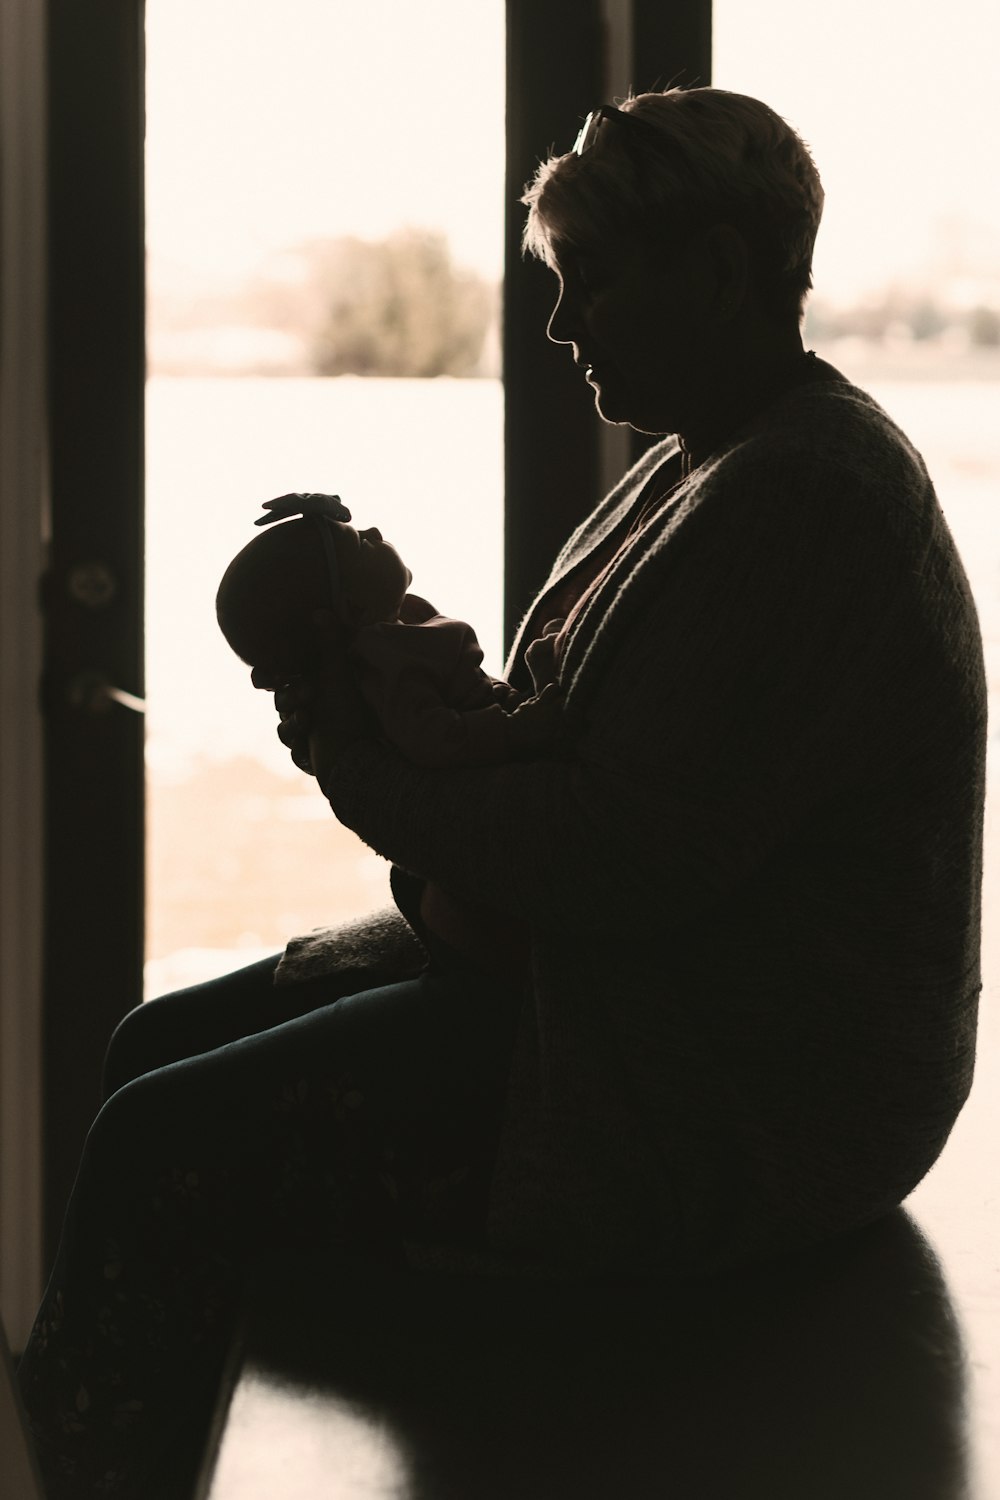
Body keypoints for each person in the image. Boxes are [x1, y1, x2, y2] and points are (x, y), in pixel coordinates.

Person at [18, 85, 986, 1500]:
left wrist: (352, 751)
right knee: (148, 1048)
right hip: (633, 994)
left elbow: (595, 866)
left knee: (162, 1137)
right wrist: (397, 664)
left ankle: (90, 1470)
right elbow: (568, 754)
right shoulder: (708, 461)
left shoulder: (806, 500)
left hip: (726, 1091)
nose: (560, 326)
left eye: (589, 280)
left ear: (718, 272)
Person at [215, 490, 566, 767]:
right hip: (508, 748)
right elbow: (435, 738)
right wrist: (518, 728)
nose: (375, 532)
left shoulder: (403, 629)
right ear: (354, 607)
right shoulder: (387, 663)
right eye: (361, 543)